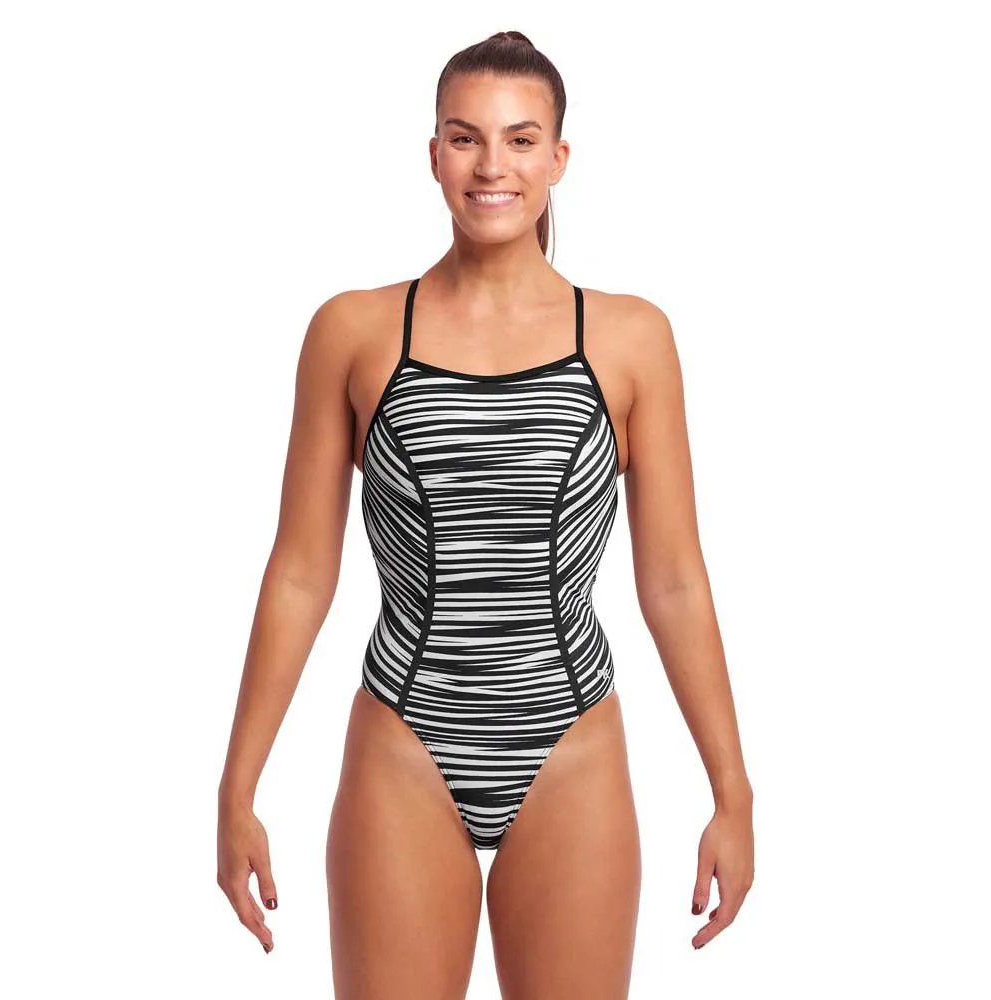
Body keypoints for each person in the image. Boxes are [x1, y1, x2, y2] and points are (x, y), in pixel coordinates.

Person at [217, 29, 754, 998]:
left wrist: (732, 790)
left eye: (519, 139)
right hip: (402, 742)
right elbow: (299, 571)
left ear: (559, 157)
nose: (491, 165)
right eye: (465, 138)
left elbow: (674, 580)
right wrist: (237, 784)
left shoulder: (631, 339)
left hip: (572, 743)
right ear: (433, 155)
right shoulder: (353, 331)